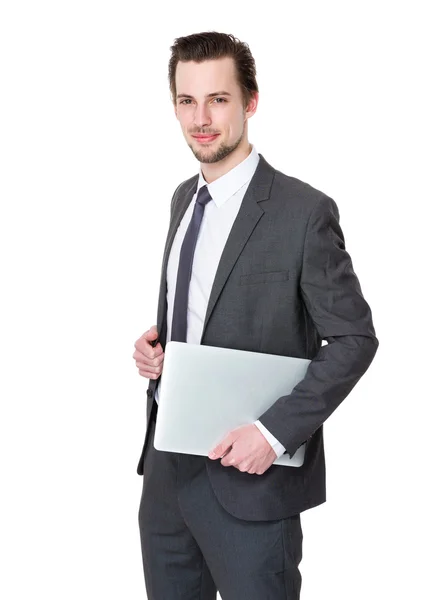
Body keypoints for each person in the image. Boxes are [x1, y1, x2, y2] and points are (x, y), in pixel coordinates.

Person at [132, 31, 379, 600]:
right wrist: (156, 349)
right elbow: (200, 312)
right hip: (168, 475)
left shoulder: (303, 212)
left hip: (250, 481)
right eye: (187, 101)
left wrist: (273, 433)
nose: (201, 118)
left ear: (250, 101)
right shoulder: (182, 199)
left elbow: (353, 339)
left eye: (218, 99)